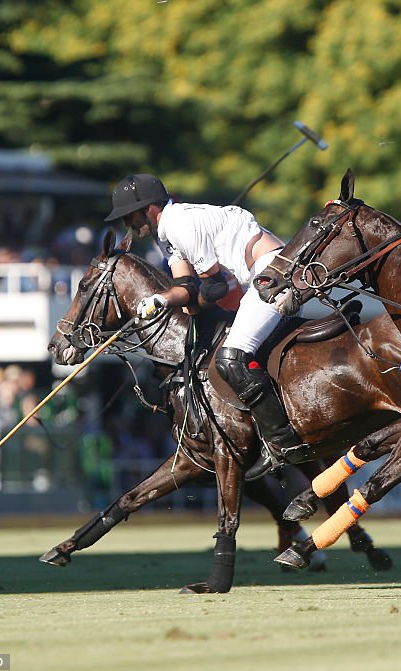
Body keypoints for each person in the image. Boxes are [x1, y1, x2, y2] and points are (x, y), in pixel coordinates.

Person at [104, 174, 302, 478]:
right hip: (259, 277)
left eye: (130, 216)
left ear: (149, 208)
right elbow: (185, 285)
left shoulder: (182, 224)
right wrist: (161, 300)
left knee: (231, 356)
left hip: (273, 271)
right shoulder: (166, 234)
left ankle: (282, 443)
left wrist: (190, 304)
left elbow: (215, 288)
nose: (129, 224)